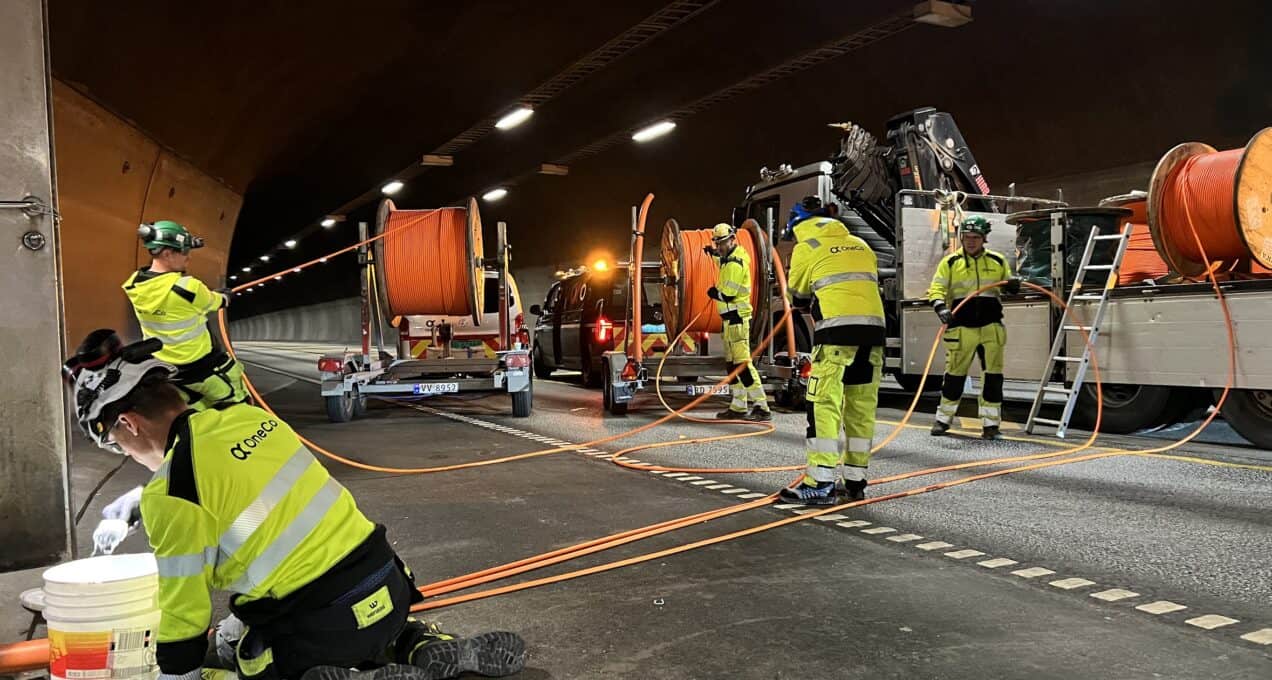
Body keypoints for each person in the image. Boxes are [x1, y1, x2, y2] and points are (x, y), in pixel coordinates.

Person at [67, 330, 525, 680]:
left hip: (325, 625)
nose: (124, 452)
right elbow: (235, 485)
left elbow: (185, 612)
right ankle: (417, 643)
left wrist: (176, 672)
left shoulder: (170, 494)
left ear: (127, 423)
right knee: (261, 623)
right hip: (388, 583)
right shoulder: (250, 419)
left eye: (116, 443)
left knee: (239, 659)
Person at [778, 197, 886, 505]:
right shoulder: (860, 244)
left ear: (797, 224)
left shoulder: (806, 246)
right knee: (860, 408)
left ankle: (821, 483)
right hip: (874, 334)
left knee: (822, 404)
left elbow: (797, 293)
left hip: (837, 335)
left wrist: (802, 299)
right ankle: (855, 480)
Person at [123, 220, 247, 410]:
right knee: (237, 404)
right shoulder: (188, 287)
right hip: (202, 366)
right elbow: (216, 302)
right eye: (184, 252)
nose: (188, 257)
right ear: (167, 253)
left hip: (167, 369)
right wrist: (226, 296)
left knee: (195, 415)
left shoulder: (134, 285)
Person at [927, 215, 1021, 440]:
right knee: (954, 376)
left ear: (984, 238)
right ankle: (943, 419)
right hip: (962, 328)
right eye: (966, 237)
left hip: (991, 328)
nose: (970, 242)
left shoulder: (997, 261)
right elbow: (936, 288)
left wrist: (1013, 285)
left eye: (975, 237)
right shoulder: (950, 263)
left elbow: (1008, 286)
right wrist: (940, 307)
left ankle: (991, 425)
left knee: (993, 377)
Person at [704, 223, 771, 422]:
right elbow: (722, 261)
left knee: (742, 365)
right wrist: (713, 254)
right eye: (717, 243)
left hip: (737, 320)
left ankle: (762, 406)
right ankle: (738, 406)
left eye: (723, 243)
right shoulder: (727, 259)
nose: (720, 246)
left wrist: (714, 293)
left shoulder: (734, 263)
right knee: (732, 366)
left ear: (732, 240)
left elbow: (728, 294)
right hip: (730, 322)